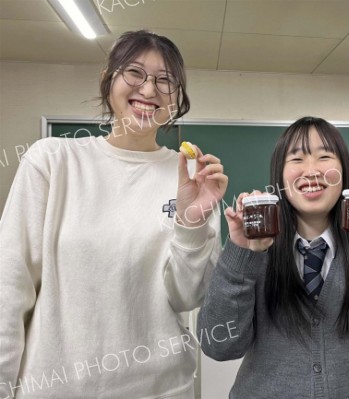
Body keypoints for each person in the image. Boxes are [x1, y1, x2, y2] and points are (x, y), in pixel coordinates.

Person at [0, 30, 227, 398]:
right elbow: (8, 290)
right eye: (135, 72)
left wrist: (191, 222)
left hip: (162, 389)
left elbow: (188, 298)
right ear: (110, 77)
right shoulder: (53, 161)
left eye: (166, 80)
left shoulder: (190, 176)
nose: (150, 90)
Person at [198, 116, 349, 398]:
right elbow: (219, 346)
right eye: (296, 159)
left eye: (325, 156)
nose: (312, 170)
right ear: (279, 175)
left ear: (343, 171)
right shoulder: (254, 247)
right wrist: (239, 256)